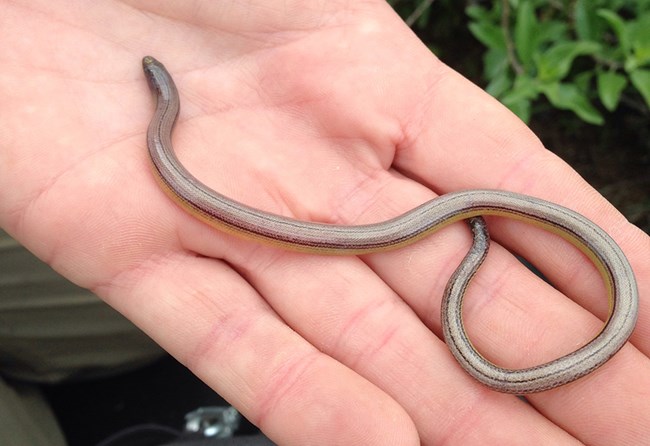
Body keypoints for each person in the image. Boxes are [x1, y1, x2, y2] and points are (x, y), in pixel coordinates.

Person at [1, 1, 648, 445]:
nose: (155, 87)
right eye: (158, 85)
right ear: (162, 92)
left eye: (155, 84)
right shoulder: (154, 131)